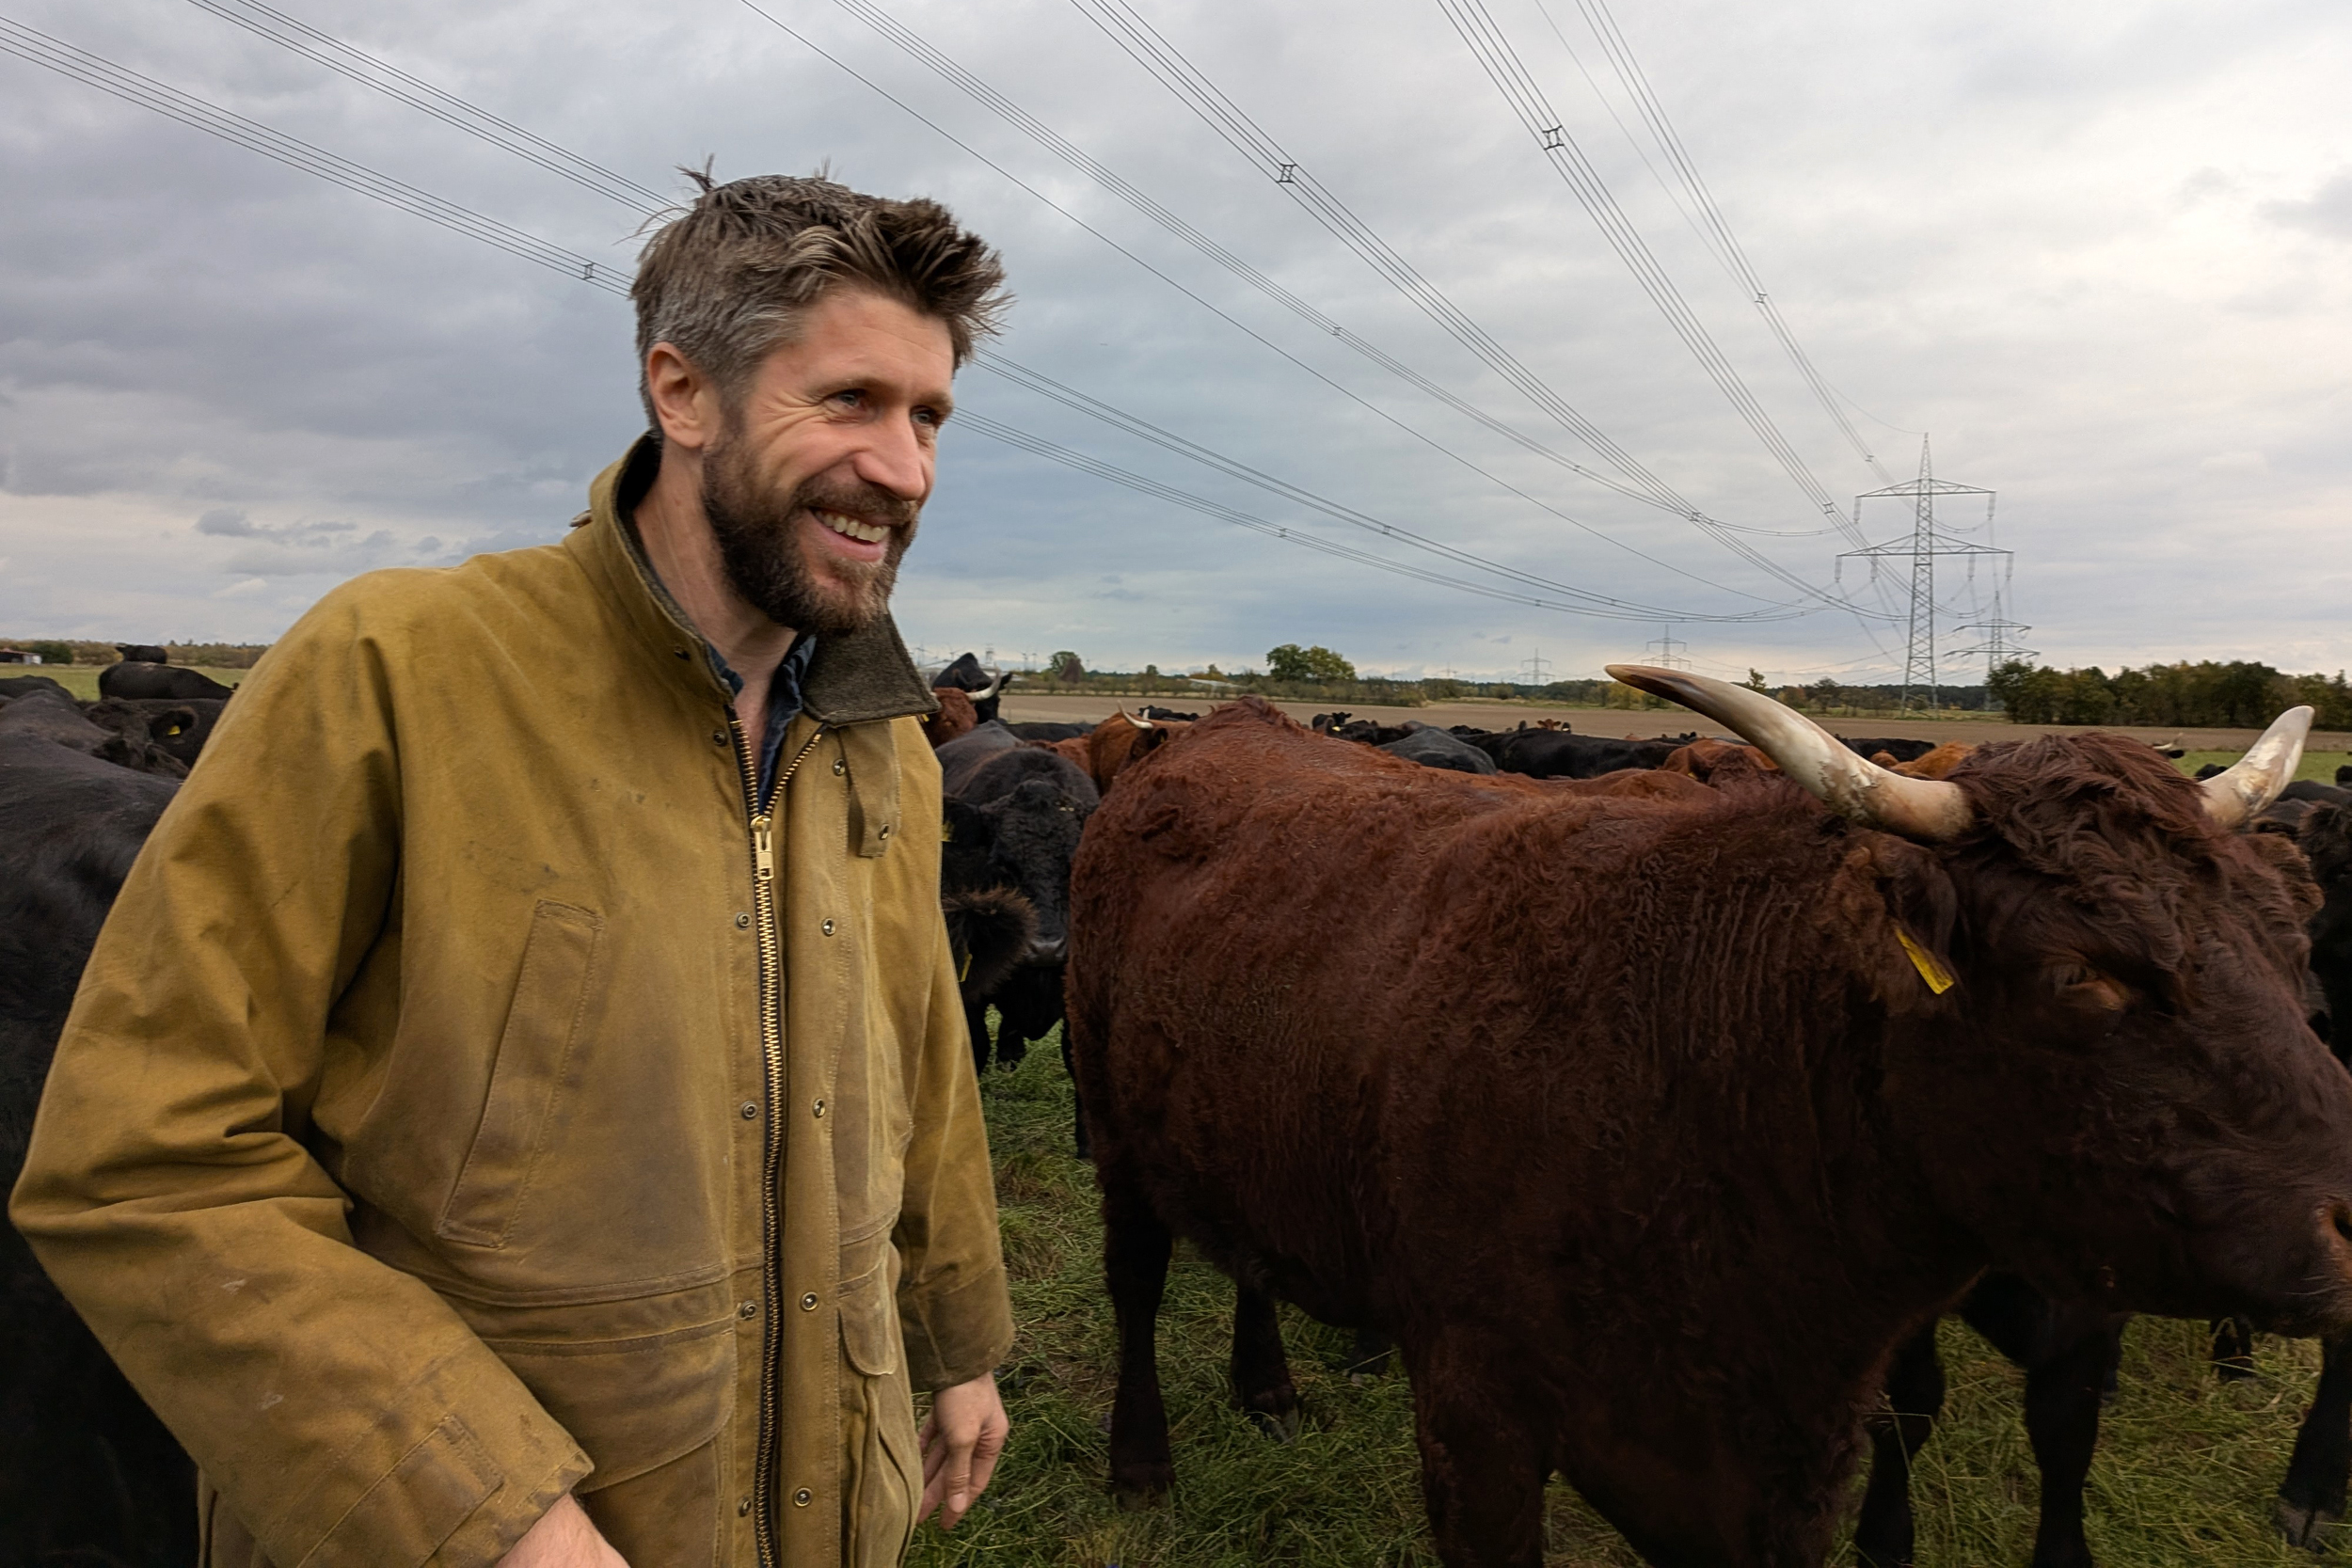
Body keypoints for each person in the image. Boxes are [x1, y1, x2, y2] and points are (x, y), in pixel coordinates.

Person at [11, 173, 1017, 1567]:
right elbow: (142, 1156)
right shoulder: (397, 672)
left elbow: (922, 1070)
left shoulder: (880, 740)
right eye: (849, 400)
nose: (905, 470)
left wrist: (956, 1342)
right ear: (683, 391)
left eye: (929, 417)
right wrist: (482, 1511)